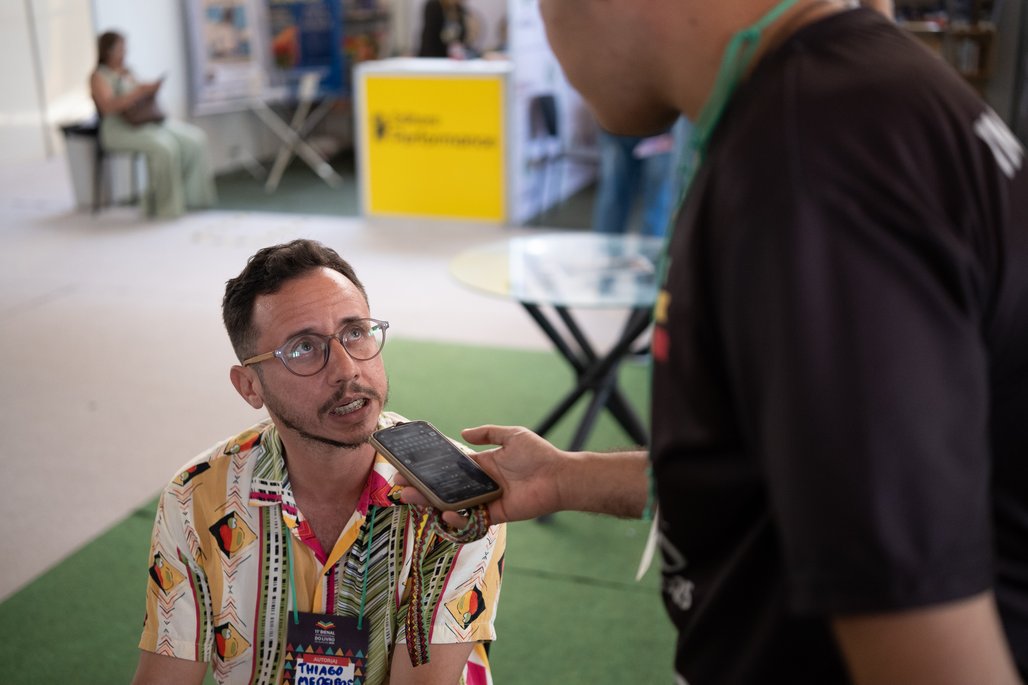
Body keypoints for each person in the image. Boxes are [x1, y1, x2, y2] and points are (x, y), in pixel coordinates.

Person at [400, 1, 1028, 683]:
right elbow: (802, 460)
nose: (547, 34)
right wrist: (565, 476)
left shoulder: (809, 163)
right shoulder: (854, 98)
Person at [131, 239, 505, 684]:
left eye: (356, 332)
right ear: (250, 386)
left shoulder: (456, 493)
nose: (347, 369)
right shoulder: (197, 496)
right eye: (304, 348)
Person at [90, 31, 217, 219]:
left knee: (194, 139)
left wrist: (149, 90)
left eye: (125, 48)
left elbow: (139, 99)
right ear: (107, 50)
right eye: (120, 48)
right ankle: (163, 206)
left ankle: (192, 200)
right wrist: (138, 91)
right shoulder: (98, 76)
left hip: (146, 123)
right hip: (119, 129)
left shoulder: (128, 71)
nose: (124, 52)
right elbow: (108, 107)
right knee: (164, 147)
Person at [591, 118, 691, 237]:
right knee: (654, 200)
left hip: (629, 120)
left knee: (615, 195)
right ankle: (653, 250)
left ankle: (605, 249)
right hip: (657, 120)